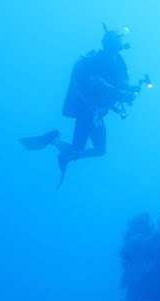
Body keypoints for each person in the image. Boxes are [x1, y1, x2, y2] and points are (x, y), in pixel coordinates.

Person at [19, 24, 146, 185]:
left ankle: (63, 150)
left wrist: (130, 90)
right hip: (86, 111)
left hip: (99, 112)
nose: (119, 45)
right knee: (77, 151)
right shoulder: (96, 60)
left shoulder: (119, 62)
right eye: (117, 43)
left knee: (100, 151)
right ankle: (54, 140)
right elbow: (95, 81)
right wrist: (116, 91)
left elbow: (123, 81)